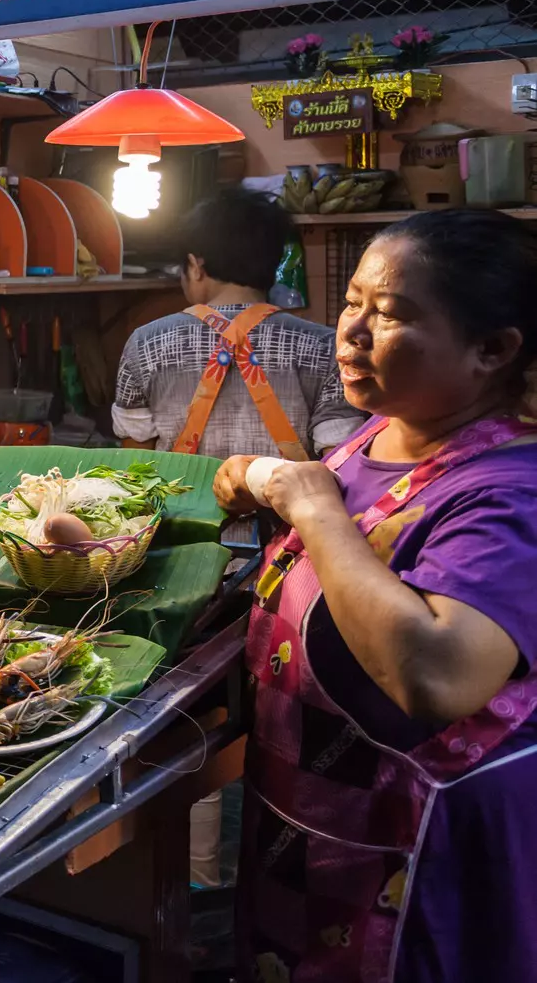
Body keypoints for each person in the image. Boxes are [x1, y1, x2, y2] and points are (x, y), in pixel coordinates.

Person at [212, 210, 537, 982]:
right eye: (351, 302)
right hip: (308, 826)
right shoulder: (373, 438)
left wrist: (313, 505)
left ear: (492, 349)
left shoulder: (510, 492)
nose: (351, 333)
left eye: (388, 315)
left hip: (424, 857)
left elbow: (437, 673)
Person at [115, 187, 364, 462]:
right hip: (287, 504)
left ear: (195, 265)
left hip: (180, 505)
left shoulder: (145, 343)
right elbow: (340, 458)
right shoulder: (327, 345)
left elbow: (136, 461)